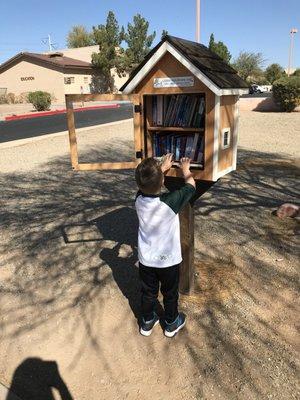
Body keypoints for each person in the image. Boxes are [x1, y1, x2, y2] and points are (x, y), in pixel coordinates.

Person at [135, 154, 196, 337]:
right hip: (168, 261)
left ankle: (147, 321)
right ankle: (171, 322)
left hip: (146, 261)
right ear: (162, 181)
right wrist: (185, 170)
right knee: (170, 294)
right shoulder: (169, 202)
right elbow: (191, 187)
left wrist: (159, 172)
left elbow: (145, 186)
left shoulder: (138, 199)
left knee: (148, 293)